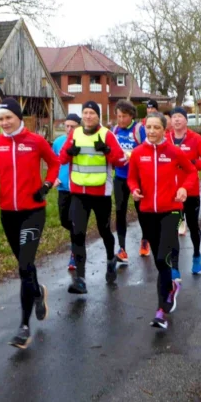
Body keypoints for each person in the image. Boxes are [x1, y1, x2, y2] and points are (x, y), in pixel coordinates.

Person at [0, 98, 60, 349]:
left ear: (18, 117)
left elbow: (55, 164)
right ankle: (37, 292)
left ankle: (24, 327)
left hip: (33, 212)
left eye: (8, 118)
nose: (4, 123)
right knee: (25, 264)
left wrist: (46, 186)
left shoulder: (35, 141)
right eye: (0, 119)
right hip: (8, 213)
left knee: (24, 266)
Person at [127, 113, 198, 330]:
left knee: (162, 255)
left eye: (156, 127)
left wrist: (184, 188)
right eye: (148, 127)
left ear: (163, 130)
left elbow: (191, 171)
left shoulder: (173, 151)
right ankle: (171, 288)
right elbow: (131, 177)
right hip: (147, 211)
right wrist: (134, 190)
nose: (151, 131)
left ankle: (160, 311)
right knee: (160, 262)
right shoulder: (138, 153)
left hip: (172, 210)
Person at [58, 100, 127, 294]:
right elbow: (61, 159)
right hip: (79, 193)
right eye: (85, 113)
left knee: (104, 231)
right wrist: (70, 153)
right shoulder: (75, 134)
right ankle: (80, 279)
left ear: (98, 116)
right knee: (77, 233)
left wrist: (107, 151)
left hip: (101, 193)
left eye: (92, 113)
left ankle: (110, 259)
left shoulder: (107, 135)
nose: (88, 116)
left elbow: (121, 161)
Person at [167, 107, 201, 277]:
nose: (177, 120)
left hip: (191, 191)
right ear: (170, 121)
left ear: (186, 120)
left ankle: (196, 254)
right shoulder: (165, 138)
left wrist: (192, 163)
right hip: (171, 192)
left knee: (193, 226)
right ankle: (174, 265)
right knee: (171, 228)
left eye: (180, 117)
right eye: (174, 117)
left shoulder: (196, 139)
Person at [111, 100, 146, 266]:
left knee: (141, 211)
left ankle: (145, 239)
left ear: (131, 116)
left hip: (138, 178)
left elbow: (148, 148)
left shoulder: (139, 130)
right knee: (120, 210)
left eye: (123, 116)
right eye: (118, 116)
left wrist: (132, 153)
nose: (120, 119)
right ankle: (122, 248)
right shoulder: (115, 130)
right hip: (119, 176)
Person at [52, 113, 81, 271]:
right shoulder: (58, 142)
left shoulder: (83, 141)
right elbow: (53, 162)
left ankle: (75, 253)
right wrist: (54, 178)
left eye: (72, 126)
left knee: (74, 220)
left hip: (78, 187)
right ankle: (78, 237)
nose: (69, 129)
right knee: (64, 220)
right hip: (63, 187)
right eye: (67, 126)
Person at [134, 98, 162, 257]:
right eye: (148, 109)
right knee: (143, 213)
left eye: (152, 109)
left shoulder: (170, 147)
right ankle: (146, 238)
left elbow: (190, 169)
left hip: (167, 196)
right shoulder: (141, 125)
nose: (151, 130)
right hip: (142, 172)